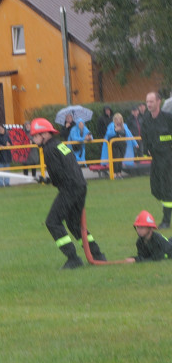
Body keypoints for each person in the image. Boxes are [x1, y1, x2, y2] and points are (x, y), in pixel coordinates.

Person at [29, 117, 106, 269]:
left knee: (53, 222)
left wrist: (51, 180)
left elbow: (58, 174)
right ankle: (98, 254)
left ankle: (73, 258)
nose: (33, 139)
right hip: (80, 186)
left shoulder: (48, 150)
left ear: (44, 134)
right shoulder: (59, 145)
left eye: (35, 136)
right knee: (74, 224)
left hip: (69, 188)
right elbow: (68, 167)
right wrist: (49, 179)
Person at [138, 90, 172, 228]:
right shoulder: (146, 120)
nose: (149, 104)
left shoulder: (168, 118)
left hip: (168, 158)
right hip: (156, 159)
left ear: (159, 102)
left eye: (151, 101)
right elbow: (144, 137)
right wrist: (145, 149)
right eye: (147, 101)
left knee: (167, 188)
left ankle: (166, 220)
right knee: (156, 188)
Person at [101, 113, 136, 178]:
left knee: (120, 159)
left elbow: (129, 134)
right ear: (114, 119)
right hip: (114, 145)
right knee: (115, 158)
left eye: (119, 118)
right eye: (116, 119)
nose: (118, 120)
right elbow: (108, 134)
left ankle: (119, 173)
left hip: (123, 144)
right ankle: (114, 173)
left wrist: (135, 143)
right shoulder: (111, 125)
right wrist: (115, 130)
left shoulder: (124, 125)